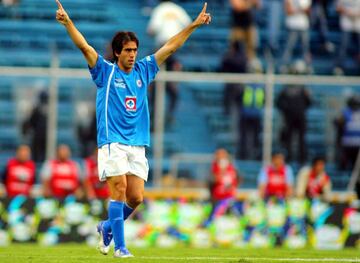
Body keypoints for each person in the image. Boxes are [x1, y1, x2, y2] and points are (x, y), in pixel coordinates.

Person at [55, 0, 211, 258]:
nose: (132, 54)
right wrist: (68, 22)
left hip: (137, 143)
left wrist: (193, 25)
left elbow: (170, 47)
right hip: (112, 142)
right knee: (119, 188)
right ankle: (120, 246)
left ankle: (107, 227)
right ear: (117, 52)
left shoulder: (144, 69)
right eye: (127, 50)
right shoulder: (104, 72)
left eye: (135, 50)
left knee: (136, 197)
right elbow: (84, 46)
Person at [276, 82, 311, 164]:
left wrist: (307, 96)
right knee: (288, 140)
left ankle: (302, 159)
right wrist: (286, 109)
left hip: (300, 119)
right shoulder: (285, 90)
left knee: (301, 140)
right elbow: (278, 103)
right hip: (289, 119)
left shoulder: (303, 89)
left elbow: (309, 103)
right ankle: (289, 158)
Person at [203, 148, 240, 227]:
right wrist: (221, 172)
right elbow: (210, 182)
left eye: (223, 154)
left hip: (230, 199)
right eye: (219, 154)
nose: (221, 156)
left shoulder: (232, 167)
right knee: (215, 222)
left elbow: (238, 179)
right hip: (217, 200)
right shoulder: (213, 168)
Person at [229, 0, 262, 72]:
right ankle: (234, 69)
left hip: (249, 25)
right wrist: (249, 3)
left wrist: (247, 4)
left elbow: (258, 5)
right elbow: (238, 7)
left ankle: (250, 70)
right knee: (234, 51)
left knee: (251, 51)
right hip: (237, 26)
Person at [280, 0, 312, 74]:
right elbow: (288, 11)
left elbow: (308, 11)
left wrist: (296, 10)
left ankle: (308, 66)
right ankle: (284, 65)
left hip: (303, 26)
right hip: (292, 25)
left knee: (306, 48)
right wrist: (300, 9)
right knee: (288, 47)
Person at [237, 84, 264, 160]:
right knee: (246, 137)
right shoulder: (259, 88)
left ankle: (254, 154)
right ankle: (244, 154)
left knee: (255, 137)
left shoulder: (247, 88)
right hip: (249, 116)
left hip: (252, 116)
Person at [334, 0, 360, 75]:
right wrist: (347, 12)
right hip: (346, 23)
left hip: (358, 24)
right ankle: (339, 67)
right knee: (343, 46)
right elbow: (338, 8)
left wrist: (356, 13)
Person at [334, 96, 360, 170]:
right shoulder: (345, 112)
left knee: (356, 168)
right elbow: (337, 122)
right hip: (347, 144)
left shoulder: (345, 112)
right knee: (344, 166)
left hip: (354, 145)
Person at [22, 90, 48, 163]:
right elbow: (31, 121)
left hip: (47, 135)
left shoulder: (52, 109)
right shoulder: (36, 109)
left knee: (45, 153)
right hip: (37, 135)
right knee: (36, 152)